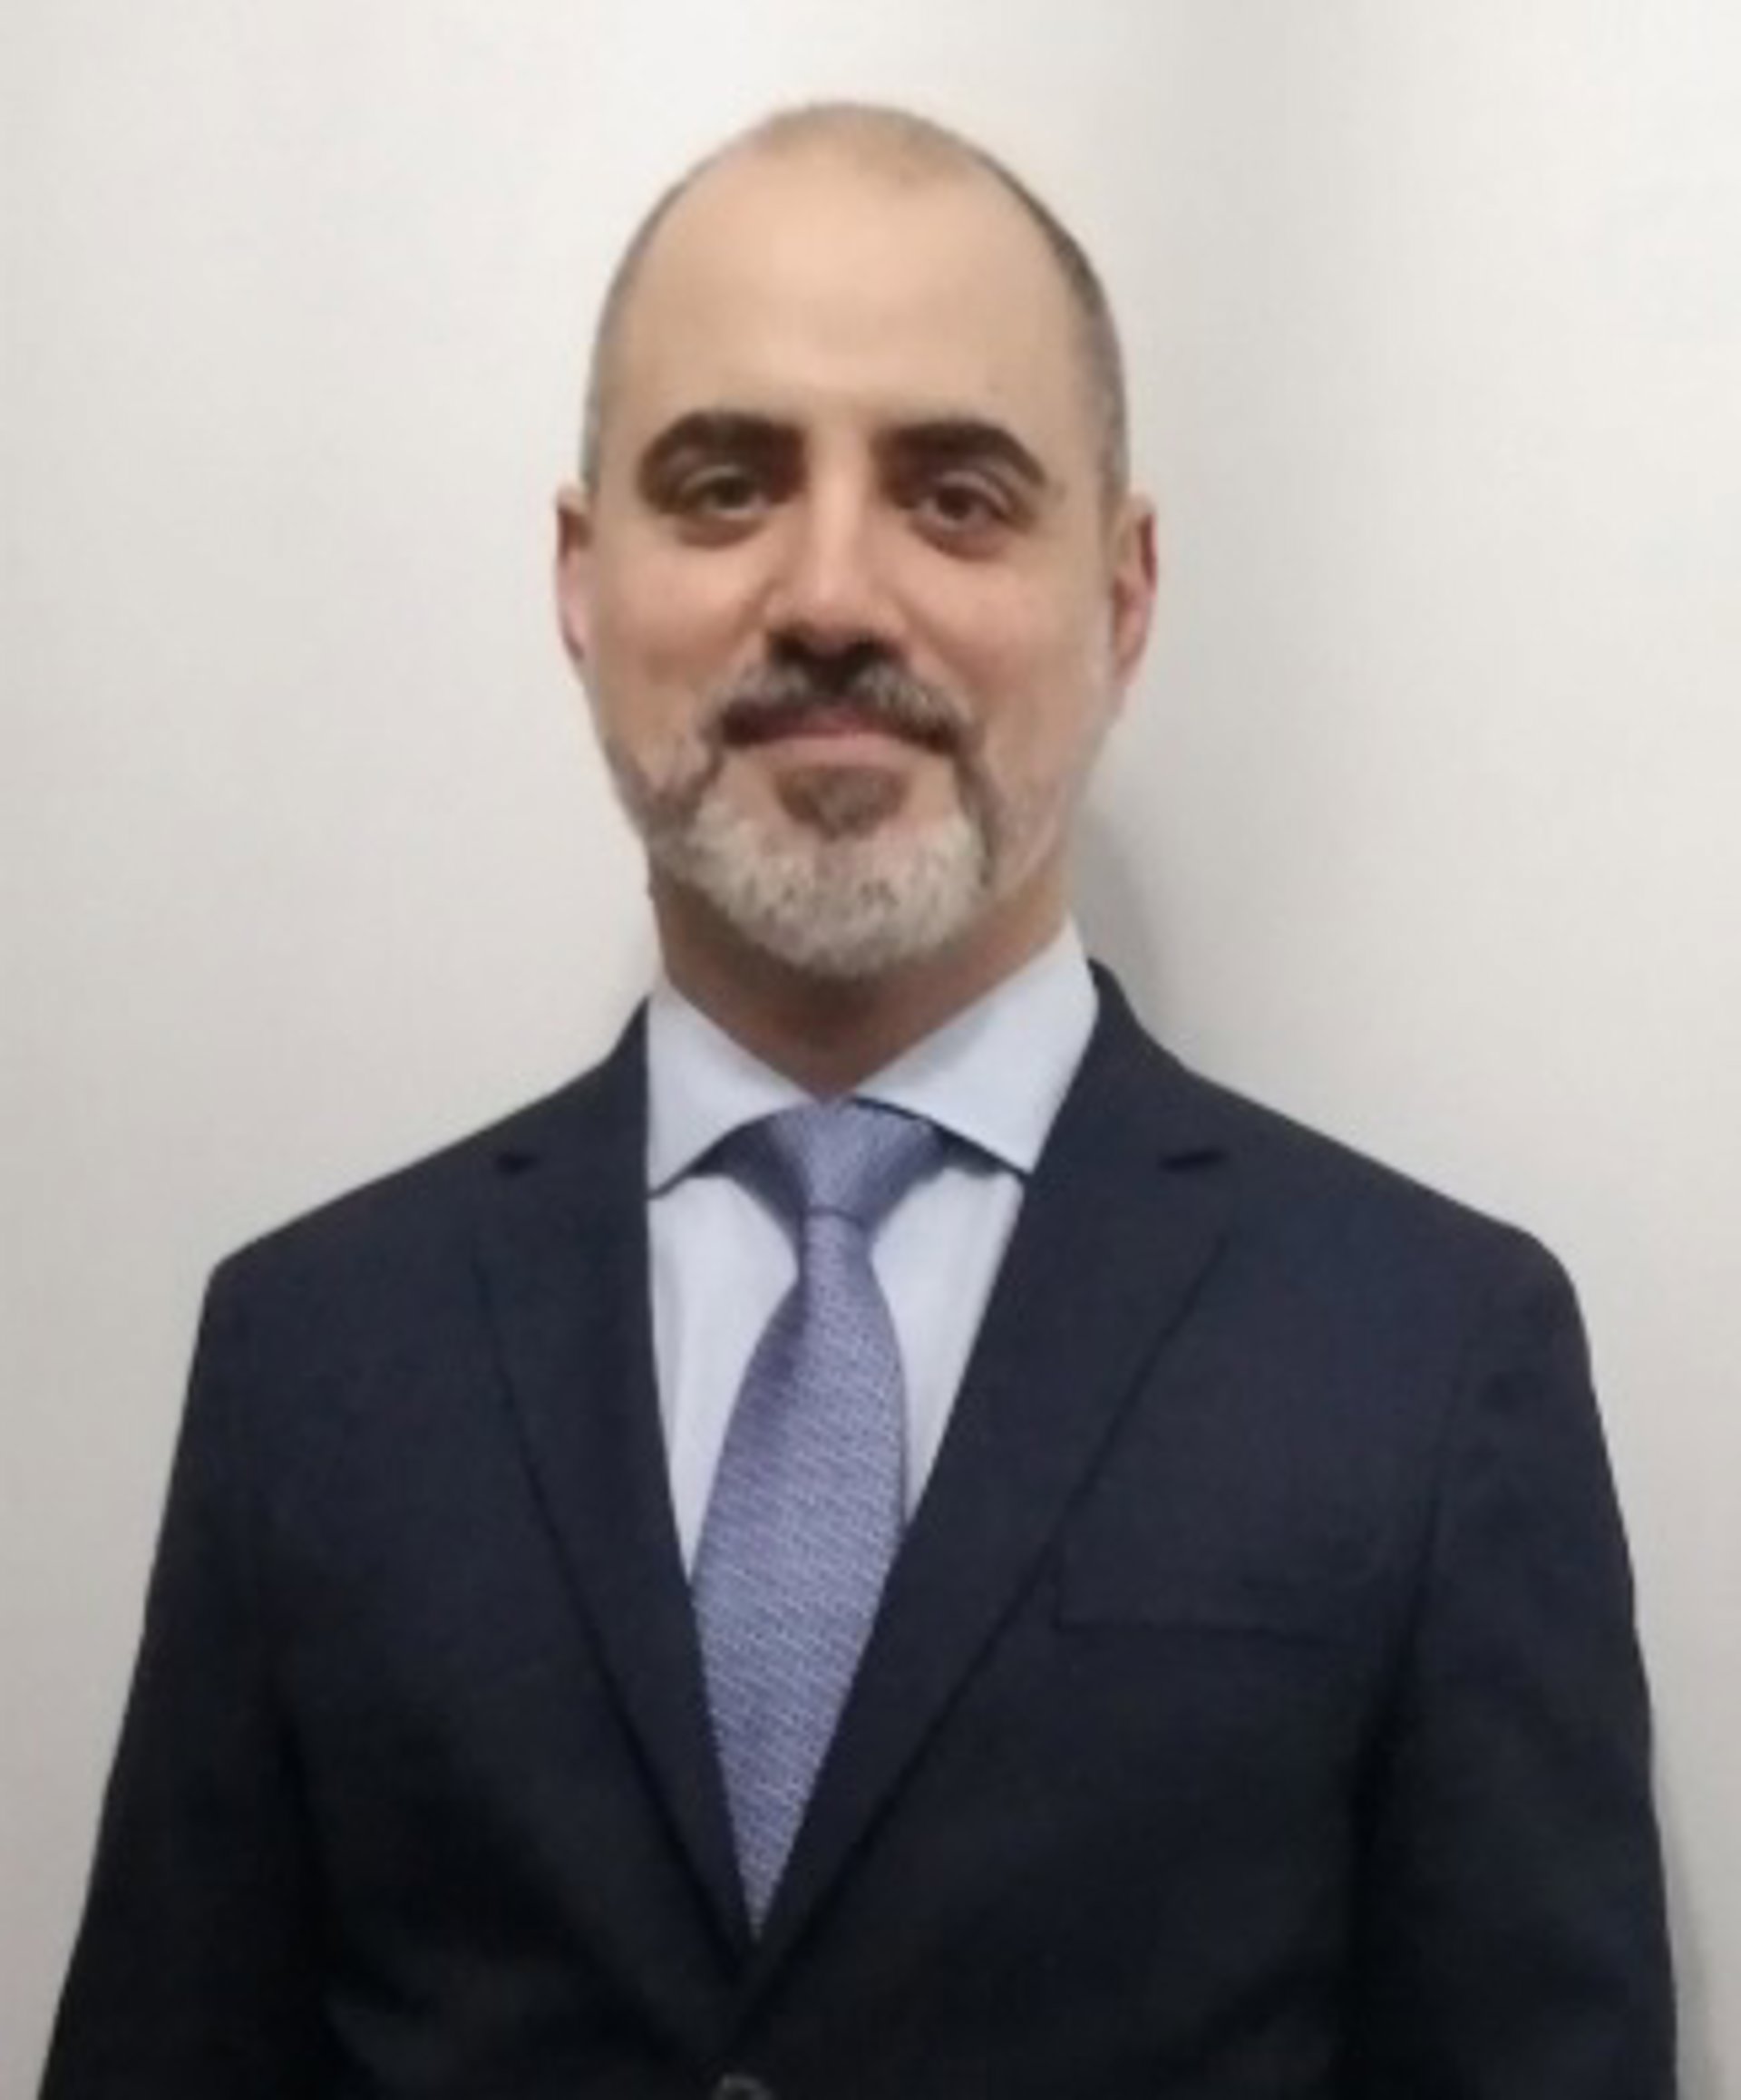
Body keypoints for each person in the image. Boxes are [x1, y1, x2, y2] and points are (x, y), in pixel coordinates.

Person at [43, 102, 1674, 2099]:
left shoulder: (1432, 1363)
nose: (831, 596)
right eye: (724, 486)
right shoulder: (313, 1356)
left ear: (1125, 594)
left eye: (957, 498)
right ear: (584, 579)